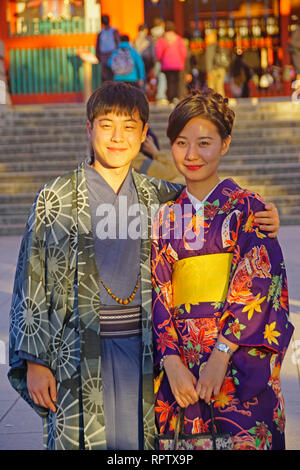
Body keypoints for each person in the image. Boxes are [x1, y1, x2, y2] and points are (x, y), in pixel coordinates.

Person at [8, 82, 280, 451]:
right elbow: (31, 280)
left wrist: (264, 216)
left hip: (146, 350)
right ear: (89, 129)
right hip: (78, 351)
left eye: (129, 127)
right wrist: (35, 360)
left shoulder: (159, 196)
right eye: (106, 125)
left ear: (143, 135)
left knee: (144, 443)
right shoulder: (54, 199)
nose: (117, 137)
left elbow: (206, 198)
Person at [151, 88, 294, 450]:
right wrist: (170, 359)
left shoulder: (248, 208)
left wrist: (221, 353)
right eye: (181, 143)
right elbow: (158, 289)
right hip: (182, 367)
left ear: (225, 144)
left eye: (204, 143)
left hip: (236, 360)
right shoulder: (164, 215)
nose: (192, 155)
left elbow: (260, 285)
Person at [155, 21, 187, 104]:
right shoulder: (178, 39)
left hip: (166, 65)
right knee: (177, 82)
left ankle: (170, 97)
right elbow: (184, 52)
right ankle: (177, 97)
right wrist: (182, 61)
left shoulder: (161, 40)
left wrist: (161, 59)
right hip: (178, 64)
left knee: (169, 82)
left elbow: (158, 53)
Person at [205, 29, 231, 97]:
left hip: (213, 70)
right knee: (220, 87)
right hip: (221, 69)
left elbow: (209, 60)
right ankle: (221, 103)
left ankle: (213, 103)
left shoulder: (210, 47)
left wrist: (208, 71)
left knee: (211, 88)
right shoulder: (220, 46)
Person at [96, 14, 120, 83]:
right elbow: (118, 42)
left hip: (104, 56)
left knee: (106, 76)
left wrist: (98, 56)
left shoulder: (101, 33)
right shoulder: (114, 31)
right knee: (113, 74)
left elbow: (98, 46)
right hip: (113, 54)